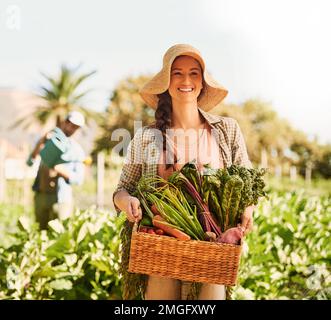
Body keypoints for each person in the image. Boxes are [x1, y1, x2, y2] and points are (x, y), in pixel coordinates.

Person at [113, 44, 256, 300]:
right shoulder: (147, 137)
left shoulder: (227, 130)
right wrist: (128, 202)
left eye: (194, 73)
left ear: (202, 83)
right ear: (166, 82)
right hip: (160, 247)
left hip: (213, 249)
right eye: (177, 73)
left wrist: (248, 208)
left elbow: (248, 187)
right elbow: (121, 190)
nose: (186, 80)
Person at [27, 111, 86, 230]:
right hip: (41, 195)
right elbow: (30, 162)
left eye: (75, 126)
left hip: (61, 198)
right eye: (69, 123)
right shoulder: (47, 141)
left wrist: (59, 169)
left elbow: (78, 179)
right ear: (64, 122)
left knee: (59, 235)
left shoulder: (77, 150)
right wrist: (41, 141)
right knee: (40, 234)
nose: (71, 127)